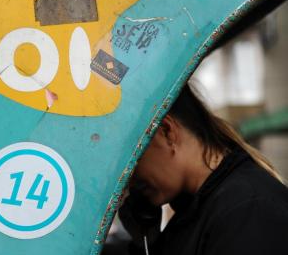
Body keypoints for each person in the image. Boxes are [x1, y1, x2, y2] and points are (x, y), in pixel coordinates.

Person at [119, 83, 288, 255]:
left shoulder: (248, 212)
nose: (127, 178)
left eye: (129, 159)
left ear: (167, 131)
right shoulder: (198, 213)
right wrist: (146, 244)